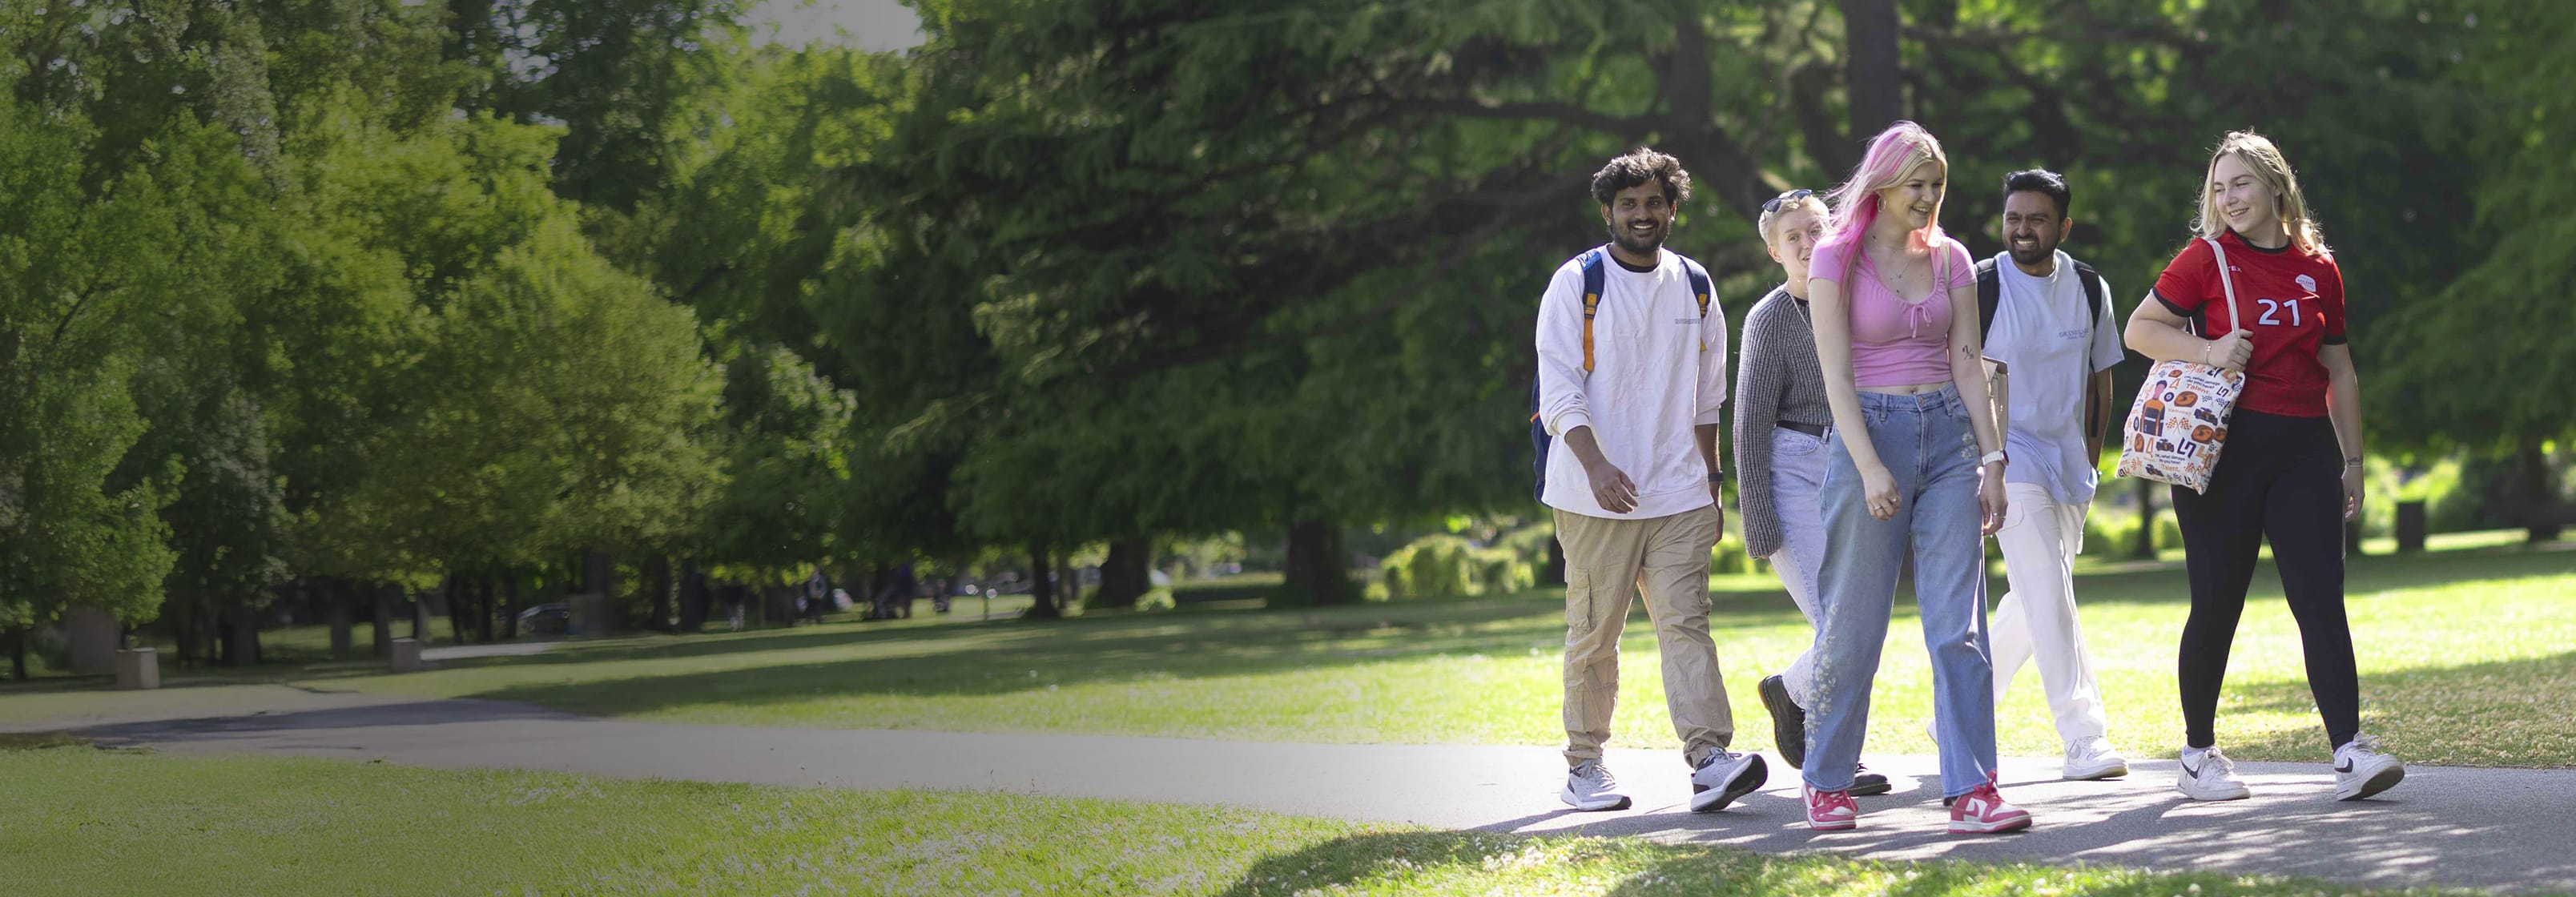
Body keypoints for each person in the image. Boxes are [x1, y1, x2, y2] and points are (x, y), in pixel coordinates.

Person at [2121, 131, 2403, 802]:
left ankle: (2349, 751)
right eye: (2219, 188)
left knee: (2320, 603)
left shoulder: (2319, 269)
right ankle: (2197, 754)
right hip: (2227, 452)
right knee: (2218, 603)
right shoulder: (2206, 257)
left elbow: (2339, 369)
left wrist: (2354, 459)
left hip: (2306, 451)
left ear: (2276, 186)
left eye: (2241, 183)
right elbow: (2140, 329)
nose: (2229, 198)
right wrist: (2211, 349)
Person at [1800, 121, 2030, 834]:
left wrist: (1993, 461)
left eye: (1937, 186)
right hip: (1869, 434)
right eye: (1916, 186)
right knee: (1854, 621)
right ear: (1883, 184)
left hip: (1951, 440)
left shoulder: (1953, 257)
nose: (1929, 198)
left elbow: (1968, 364)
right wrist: (1868, 465)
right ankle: (1827, 779)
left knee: (1958, 627)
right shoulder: (1835, 258)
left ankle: (1973, 791)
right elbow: (1834, 374)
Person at [1534, 147, 1764, 814]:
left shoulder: (1695, 282)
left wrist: (1712, 485)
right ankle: (1584, 765)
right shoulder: (1577, 282)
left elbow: (1707, 397)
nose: (1642, 214)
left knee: (1686, 624)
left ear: (1672, 209)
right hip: (1592, 496)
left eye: (1654, 202)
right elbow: (1559, 391)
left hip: (1678, 494)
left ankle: (1709, 758)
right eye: (1629, 204)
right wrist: (1597, 465)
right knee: (1594, 632)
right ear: (1608, 211)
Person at [1735, 187, 1891, 798]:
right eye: (1792, 236)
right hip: (1791, 470)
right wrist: (1759, 520)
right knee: (1841, 623)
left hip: (1853, 467)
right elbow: (1748, 428)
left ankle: (1790, 691)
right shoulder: (1769, 319)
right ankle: (1833, 758)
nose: (1806, 243)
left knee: (1863, 623)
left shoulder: (1860, 300)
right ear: (1774, 250)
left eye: (1816, 229)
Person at [1975, 169, 2130, 781]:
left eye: (2037, 219)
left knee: (2039, 593)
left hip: (2069, 464)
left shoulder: (2089, 287)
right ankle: (2083, 736)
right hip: (2007, 461)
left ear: (2062, 227)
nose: (2023, 229)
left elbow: (2102, 377)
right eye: (2014, 217)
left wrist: (2091, 455)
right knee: (2049, 592)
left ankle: (1964, 705)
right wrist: (1983, 461)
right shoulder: (1981, 284)